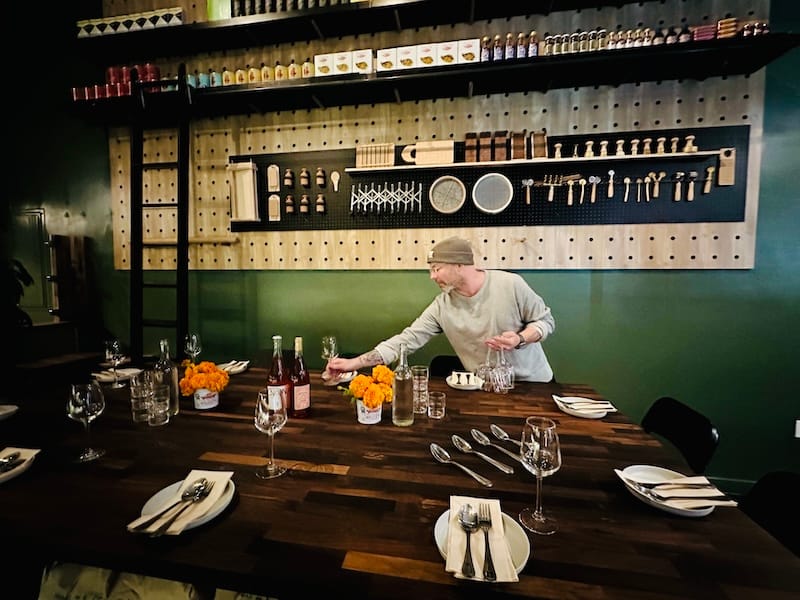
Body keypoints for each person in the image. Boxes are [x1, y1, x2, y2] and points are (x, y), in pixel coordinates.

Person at [325, 236, 555, 382]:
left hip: (534, 384)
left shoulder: (510, 284)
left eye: (437, 269)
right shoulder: (442, 305)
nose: (432, 276)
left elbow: (545, 322)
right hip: (484, 388)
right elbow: (407, 340)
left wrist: (520, 338)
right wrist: (353, 363)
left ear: (459, 265)